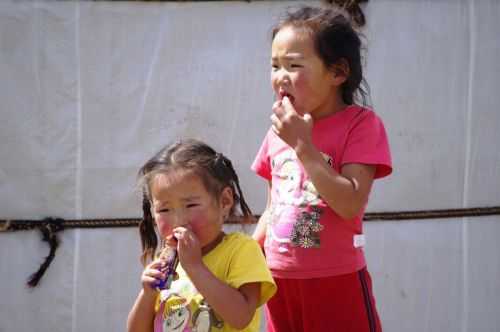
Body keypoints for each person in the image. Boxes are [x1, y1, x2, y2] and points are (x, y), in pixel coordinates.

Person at [251, 4, 392, 332]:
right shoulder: (279, 131)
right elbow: (274, 210)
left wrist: (303, 145)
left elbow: (350, 203)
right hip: (278, 280)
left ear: (337, 73)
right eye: (275, 66)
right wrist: (241, 259)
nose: (279, 77)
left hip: (335, 279)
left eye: (294, 65)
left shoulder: (361, 124)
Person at [128, 139, 276, 332]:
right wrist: (147, 295)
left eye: (190, 205)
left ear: (224, 201)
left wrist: (195, 267)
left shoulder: (241, 250)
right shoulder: (167, 260)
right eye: (164, 209)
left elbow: (241, 317)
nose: (178, 220)